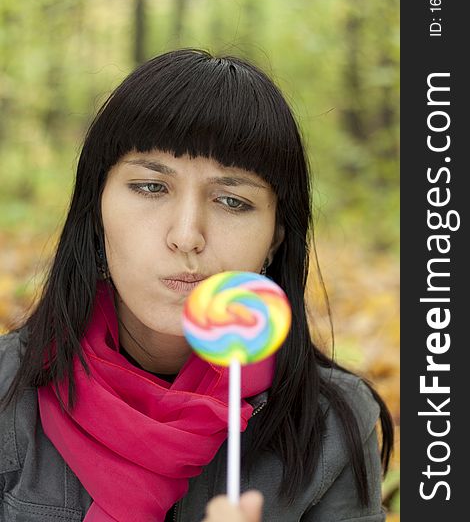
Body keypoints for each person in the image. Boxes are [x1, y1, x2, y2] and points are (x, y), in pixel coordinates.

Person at [0, 49, 393, 522]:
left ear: (275, 237)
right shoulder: (7, 397)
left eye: (232, 200)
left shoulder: (333, 426)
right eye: (150, 187)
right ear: (96, 209)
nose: (187, 235)